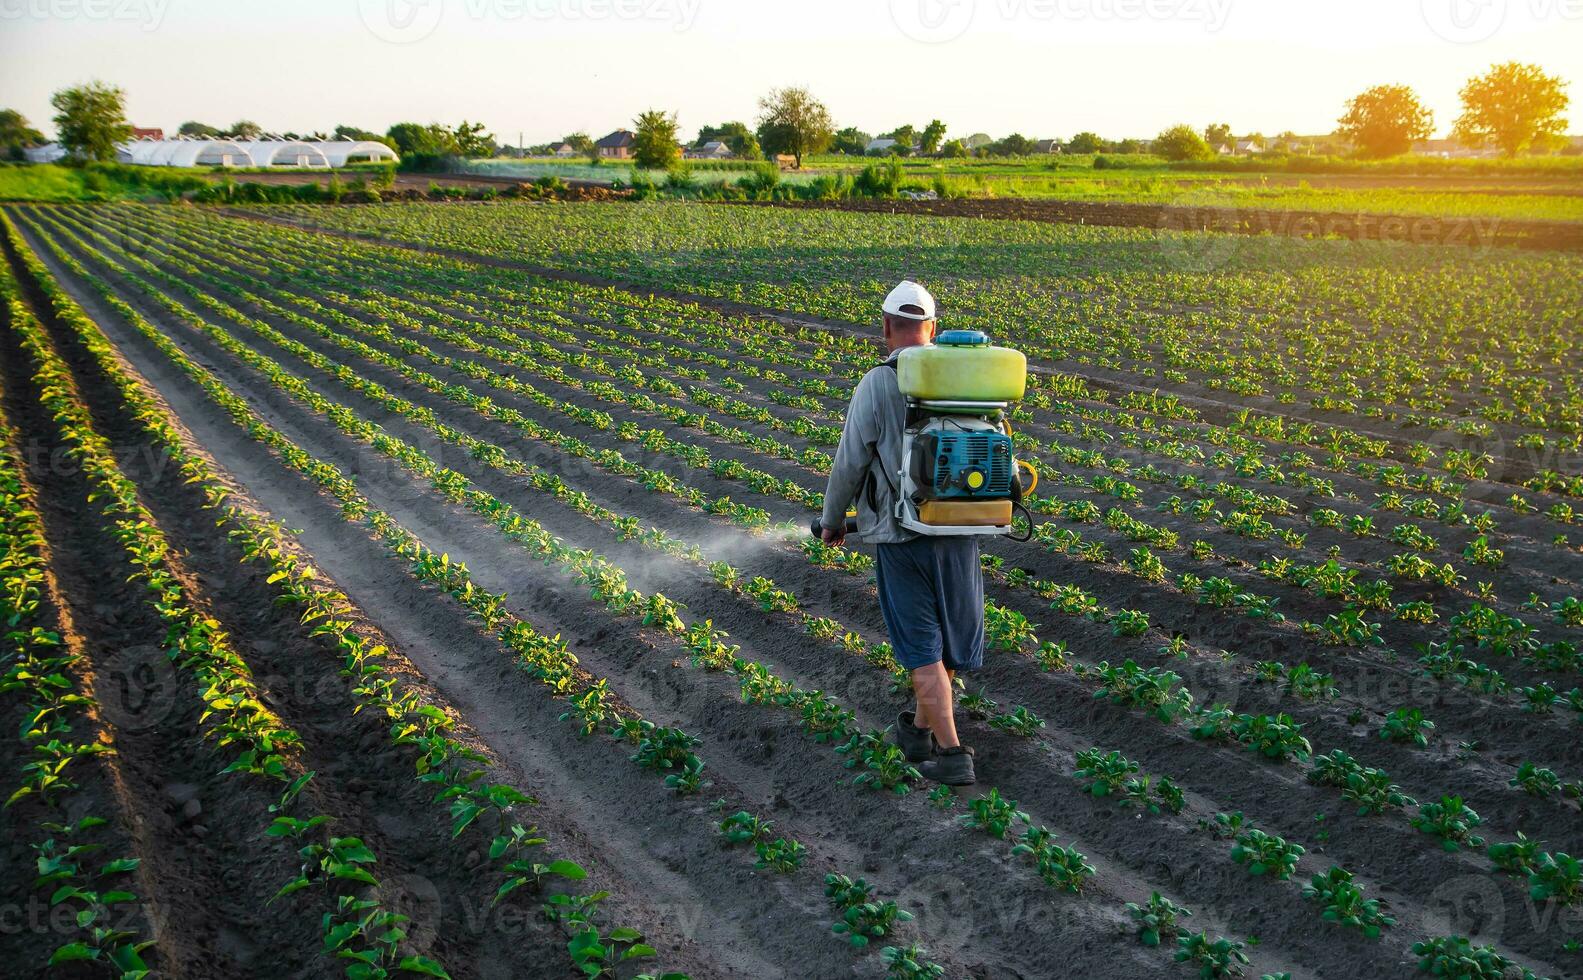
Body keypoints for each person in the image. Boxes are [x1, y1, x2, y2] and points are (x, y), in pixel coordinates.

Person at [819, 280, 983, 786]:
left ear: (888, 328)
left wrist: (831, 521)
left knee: (921, 648)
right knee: (942, 647)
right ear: (933, 328)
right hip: (960, 531)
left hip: (901, 535)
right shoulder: (968, 378)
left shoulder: (878, 383)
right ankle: (916, 730)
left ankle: (953, 753)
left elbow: (850, 462)